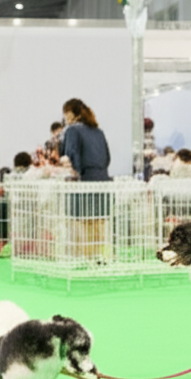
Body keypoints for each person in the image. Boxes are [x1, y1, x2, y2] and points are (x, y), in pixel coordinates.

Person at [61, 98, 111, 262]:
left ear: (70, 113)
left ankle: (87, 259)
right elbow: (107, 157)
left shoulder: (72, 130)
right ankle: (101, 257)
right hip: (102, 180)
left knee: (83, 222)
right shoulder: (99, 131)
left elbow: (72, 155)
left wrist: (75, 171)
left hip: (84, 181)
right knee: (100, 221)